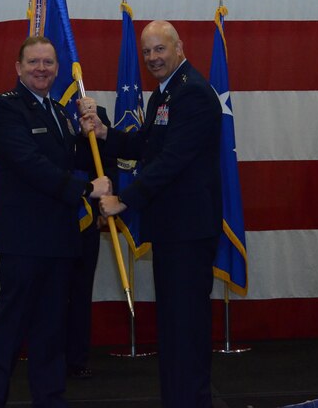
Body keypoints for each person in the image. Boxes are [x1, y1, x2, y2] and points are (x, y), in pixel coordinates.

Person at [80, 20, 222, 408]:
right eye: (146, 52)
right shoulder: (166, 94)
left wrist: (125, 200)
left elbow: (173, 160)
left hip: (190, 229)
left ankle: (192, 400)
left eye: (160, 49)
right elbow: (147, 144)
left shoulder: (192, 92)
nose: (153, 58)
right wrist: (106, 133)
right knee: (174, 324)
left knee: (187, 325)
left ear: (179, 47)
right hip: (173, 227)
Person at [0, 36, 110, 408]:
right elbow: (31, 166)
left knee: (50, 332)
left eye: (48, 62)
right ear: (18, 67)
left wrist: (98, 125)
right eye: (34, 62)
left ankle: (50, 400)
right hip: (24, 242)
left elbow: (77, 153)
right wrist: (85, 189)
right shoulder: (6, 109)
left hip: (60, 240)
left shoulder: (59, 113)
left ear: (58, 69)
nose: (42, 68)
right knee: (9, 331)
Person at [65, 105, 114, 380]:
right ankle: (47, 354)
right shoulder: (42, 111)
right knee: (50, 292)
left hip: (87, 217)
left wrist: (101, 210)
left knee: (81, 291)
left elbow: (105, 165)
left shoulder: (94, 114)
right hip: (51, 217)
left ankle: (77, 359)